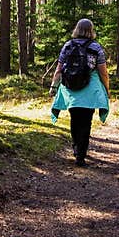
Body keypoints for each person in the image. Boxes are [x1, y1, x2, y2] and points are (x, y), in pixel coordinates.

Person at [49, 18, 110, 167]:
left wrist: (54, 86)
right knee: (86, 122)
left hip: (70, 90)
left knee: (74, 120)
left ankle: (76, 149)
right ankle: (81, 155)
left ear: (77, 29)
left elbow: (59, 69)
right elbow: (103, 73)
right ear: (91, 30)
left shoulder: (68, 46)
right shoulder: (96, 48)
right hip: (90, 91)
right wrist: (107, 90)